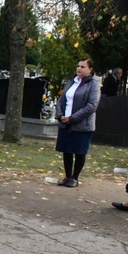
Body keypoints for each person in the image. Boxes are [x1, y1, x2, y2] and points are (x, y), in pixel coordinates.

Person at [55, 58, 100, 188]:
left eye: (83, 67)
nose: (79, 68)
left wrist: (73, 118)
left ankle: (75, 177)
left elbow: (92, 105)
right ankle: (67, 176)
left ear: (90, 69)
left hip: (81, 124)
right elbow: (61, 100)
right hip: (65, 122)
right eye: (78, 66)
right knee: (66, 150)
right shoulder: (71, 81)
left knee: (79, 151)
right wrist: (60, 115)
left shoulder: (93, 84)